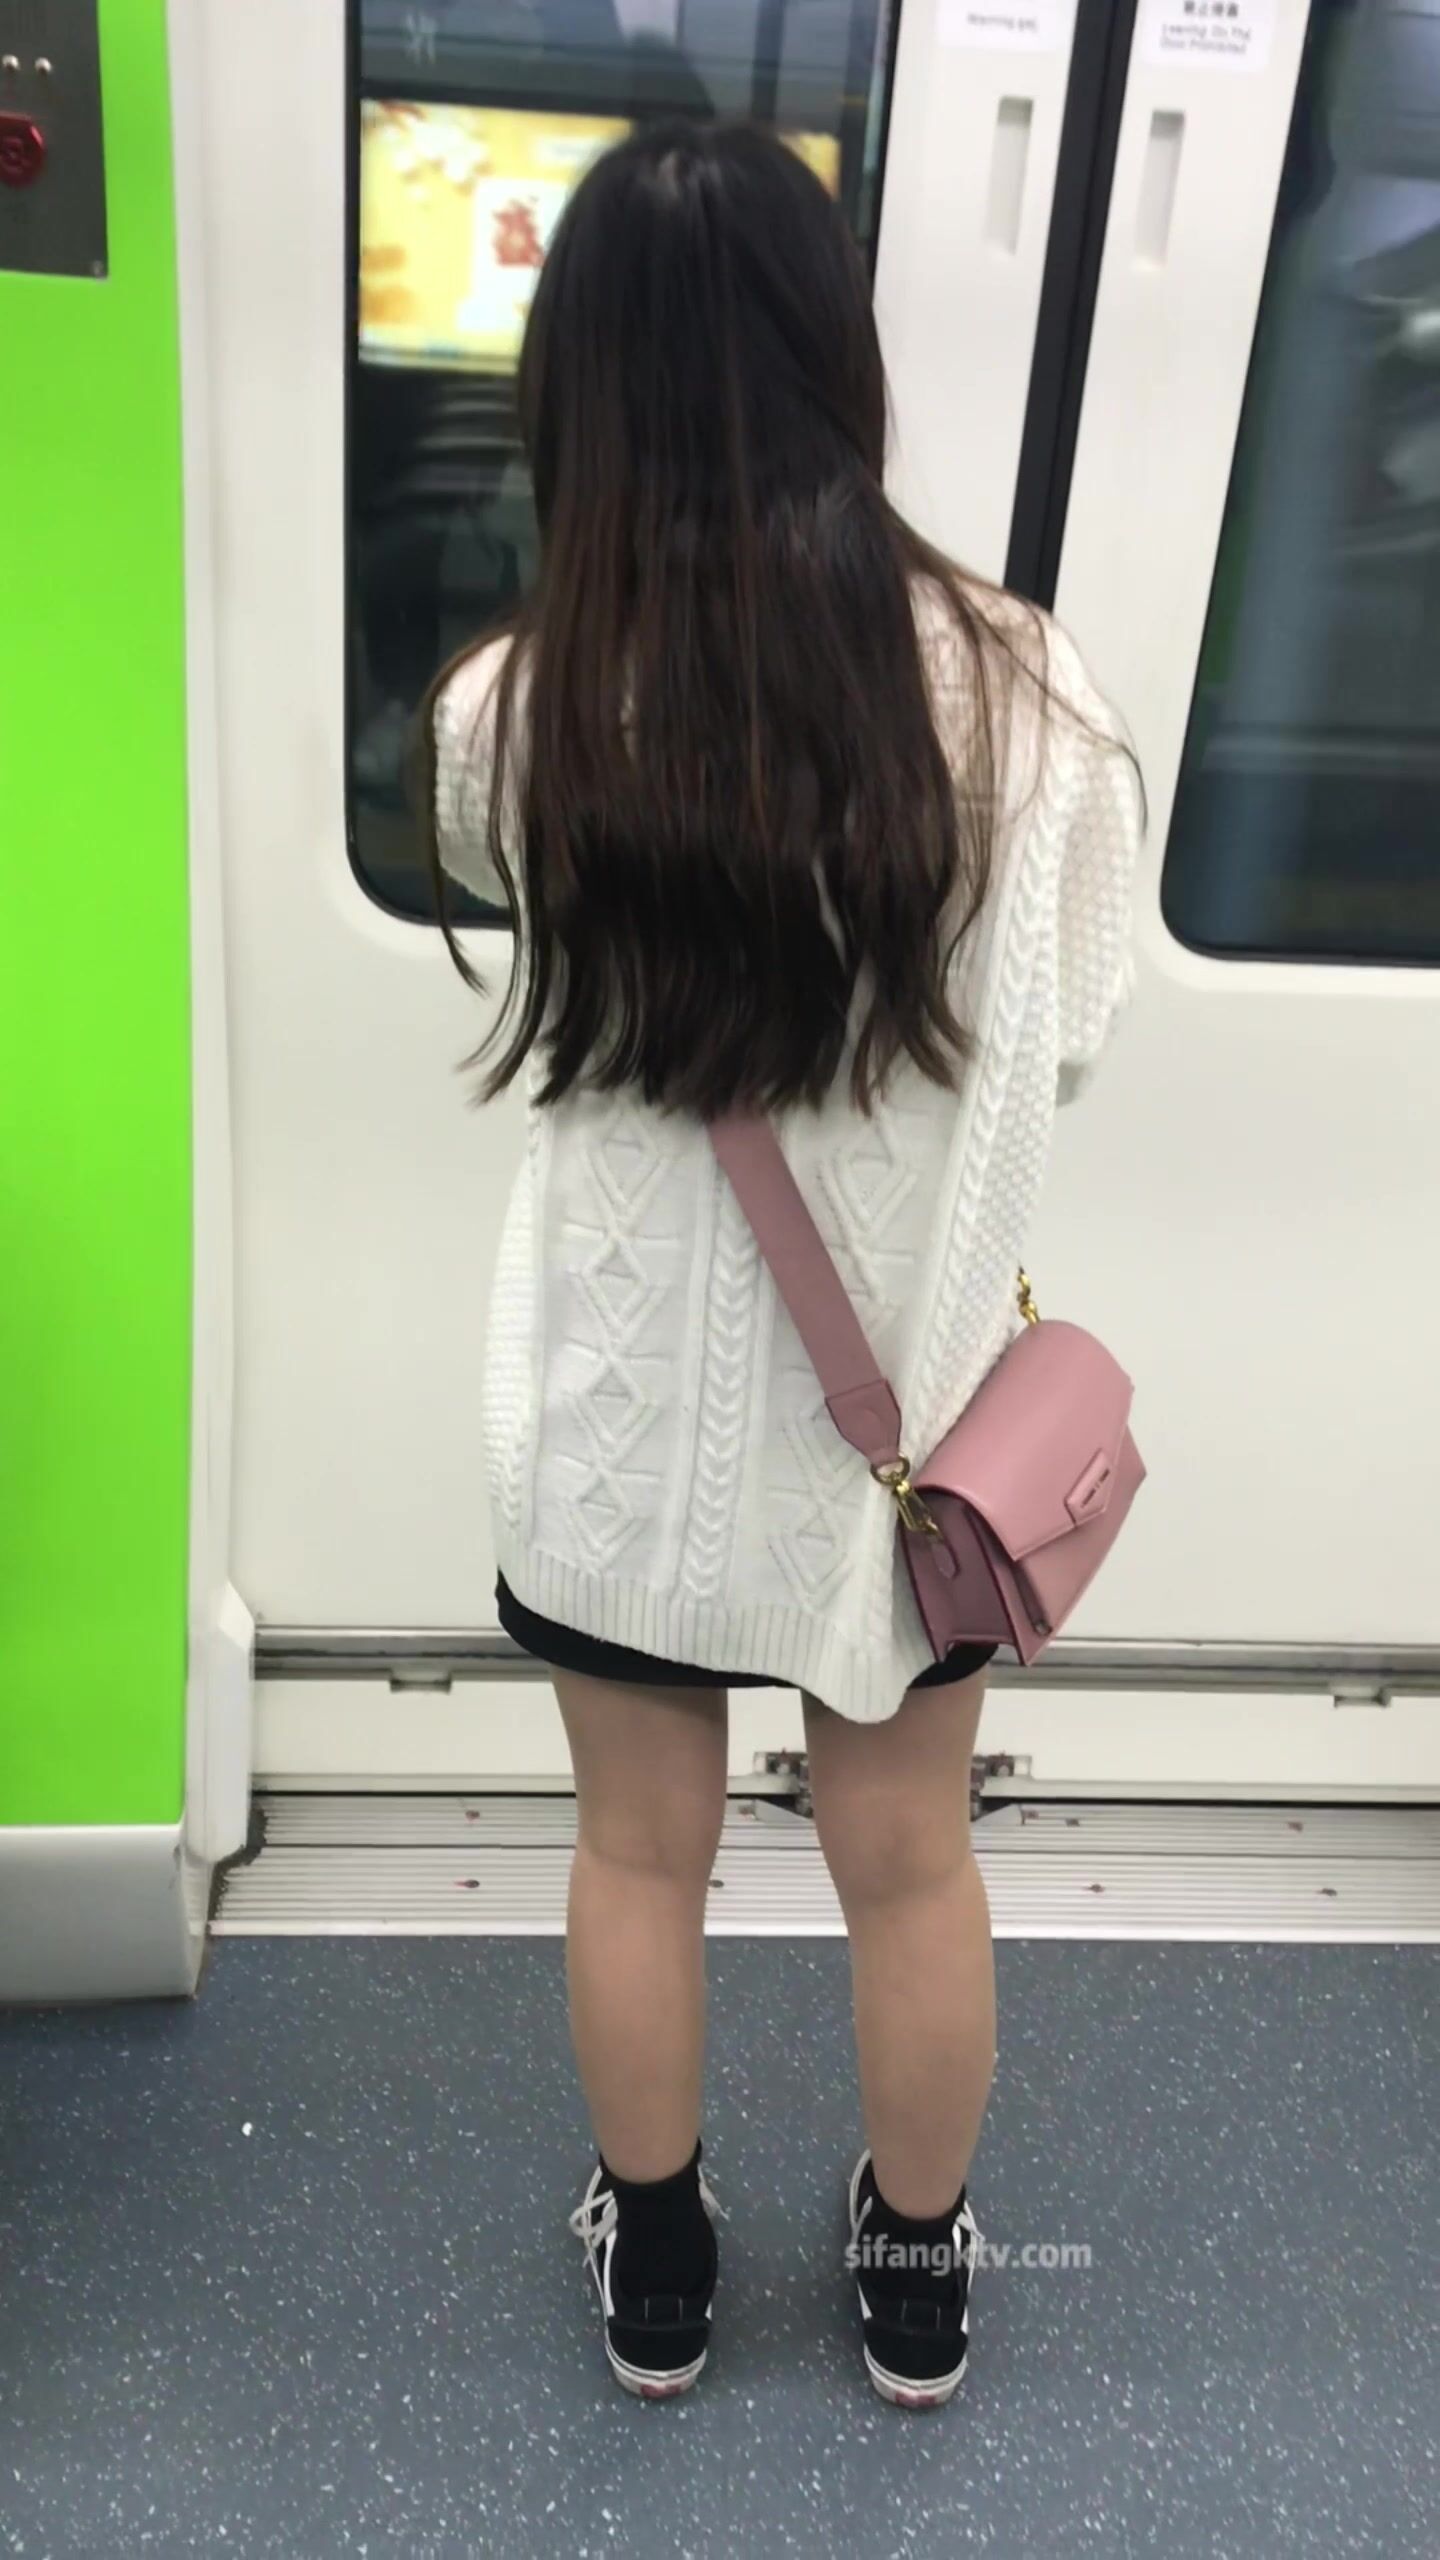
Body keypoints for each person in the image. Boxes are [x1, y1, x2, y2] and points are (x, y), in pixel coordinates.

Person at [422, 121, 1143, 2410]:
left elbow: (518, 915)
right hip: (904, 1435)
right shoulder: (1035, 700)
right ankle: (918, 2273)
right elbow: (1079, 1024)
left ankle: (656, 2269)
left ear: (576, 385)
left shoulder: (515, 708)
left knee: (636, 1851)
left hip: (615, 1421)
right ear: (839, 352)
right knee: (908, 1863)